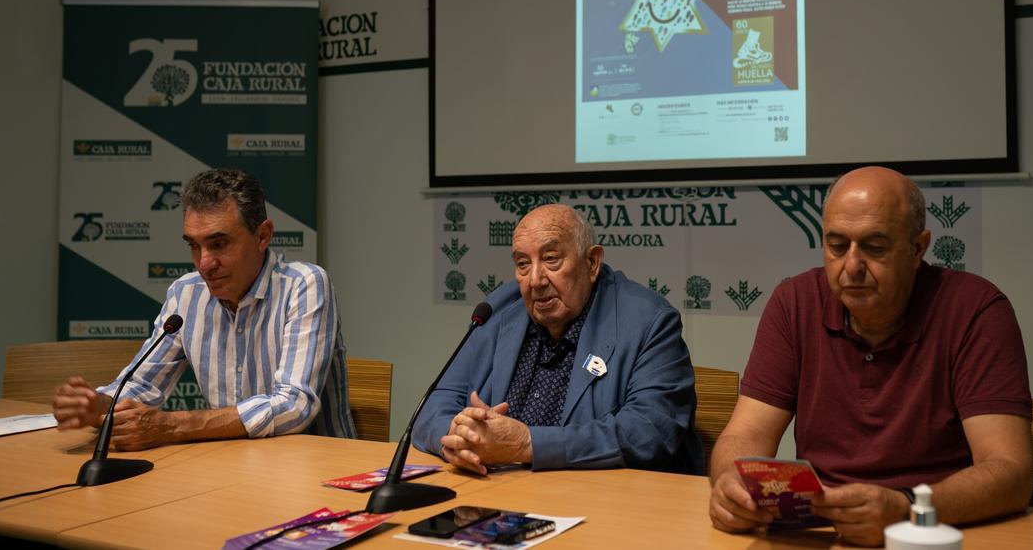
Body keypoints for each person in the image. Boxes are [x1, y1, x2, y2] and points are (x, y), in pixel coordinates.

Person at [708, 166, 1033, 546]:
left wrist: (907, 509)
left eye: (875, 247)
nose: (852, 267)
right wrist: (733, 483)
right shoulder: (794, 303)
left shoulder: (975, 309)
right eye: (837, 245)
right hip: (824, 532)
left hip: (932, 535)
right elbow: (745, 434)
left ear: (917, 248)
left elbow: (1011, 471)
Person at [52, 168, 355, 449]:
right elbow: (142, 386)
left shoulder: (304, 285)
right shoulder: (186, 294)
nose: (205, 264)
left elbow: (295, 405)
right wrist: (100, 405)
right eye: (194, 246)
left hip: (316, 471)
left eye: (219, 244)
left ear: (263, 235)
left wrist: (173, 426)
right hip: (227, 465)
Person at [412, 203, 704, 475]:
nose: (535, 280)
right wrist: (461, 437)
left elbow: (649, 433)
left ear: (592, 263)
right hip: (504, 496)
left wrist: (528, 444)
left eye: (551, 259)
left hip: (606, 505)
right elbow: (432, 408)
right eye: (523, 264)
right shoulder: (498, 312)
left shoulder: (648, 321)